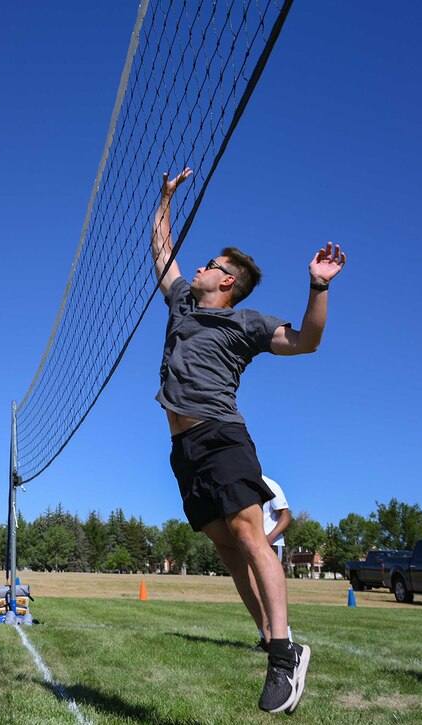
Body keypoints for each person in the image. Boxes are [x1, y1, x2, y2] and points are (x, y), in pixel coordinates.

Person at [151, 167, 345, 714]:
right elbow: (162, 253)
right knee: (224, 544)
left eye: (211, 264)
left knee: (248, 532)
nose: (201, 267)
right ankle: (268, 634)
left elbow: (307, 341)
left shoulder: (246, 324)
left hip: (220, 434)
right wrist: (165, 200)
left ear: (227, 281)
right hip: (183, 449)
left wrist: (319, 286)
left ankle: (283, 654)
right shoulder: (182, 305)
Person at [251, 474, 293, 650]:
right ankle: (266, 640)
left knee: (272, 594)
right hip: (253, 545)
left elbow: (286, 515)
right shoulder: (243, 484)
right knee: (256, 594)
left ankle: (286, 640)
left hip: (272, 545)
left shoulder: (269, 484)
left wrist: (270, 537)